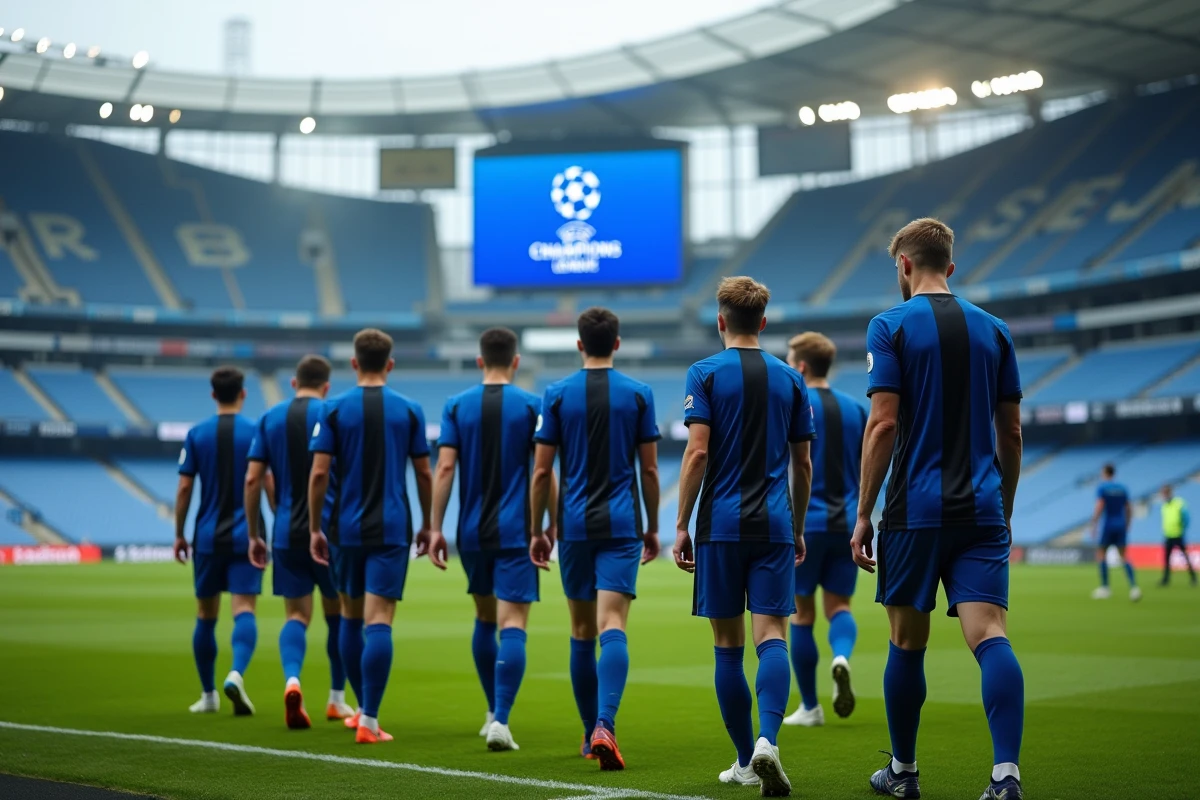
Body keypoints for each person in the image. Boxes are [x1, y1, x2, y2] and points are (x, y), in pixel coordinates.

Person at [851, 218, 1026, 800]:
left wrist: (862, 515)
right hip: (981, 509)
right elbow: (1013, 434)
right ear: (949, 266)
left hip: (913, 511)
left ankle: (903, 773)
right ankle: (1005, 778)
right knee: (990, 636)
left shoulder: (889, 326)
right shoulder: (996, 331)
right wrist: (1002, 509)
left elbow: (882, 424)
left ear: (904, 264)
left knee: (907, 642)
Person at [674, 277, 814, 797]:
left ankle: (742, 761)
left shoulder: (705, 373)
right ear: (763, 321)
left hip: (721, 526)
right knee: (774, 634)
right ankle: (767, 740)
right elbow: (803, 462)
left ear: (720, 321)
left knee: (728, 648)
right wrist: (797, 526)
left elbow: (697, 453)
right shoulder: (790, 379)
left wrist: (682, 523)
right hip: (775, 524)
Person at [529, 307, 661, 771]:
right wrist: (650, 526)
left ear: (580, 345)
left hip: (575, 528)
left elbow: (543, 470)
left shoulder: (557, 394)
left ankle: (590, 734)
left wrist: (538, 530)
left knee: (582, 631)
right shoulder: (639, 394)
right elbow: (648, 468)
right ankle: (607, 722)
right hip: (621, 524)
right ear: (617, 344)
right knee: (613, 626)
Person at [308, 328, 445, 744]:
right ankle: (369, 719)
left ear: (354, 363)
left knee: (349, 616)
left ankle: (360, 711)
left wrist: (315, 527)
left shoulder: (331, 410)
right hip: (391, 527)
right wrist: (428, 523)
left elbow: (318, 473)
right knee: (380, 618)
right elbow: (424, 471)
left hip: (345, 528)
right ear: (389, 364)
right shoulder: (409, 409)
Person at [431, 327, 554, 751]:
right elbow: (543, 472)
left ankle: (489, 712)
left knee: (484, 618)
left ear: (480, 361)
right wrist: (550, 525)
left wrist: (433, 527)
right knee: (513, 622)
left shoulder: (456, 406)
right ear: (515, 361)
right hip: (518, 531)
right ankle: (502, 718)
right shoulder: (532, 405)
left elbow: (444, 470)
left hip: (472, 531)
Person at [244, 355, 355, 730]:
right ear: (326, 385)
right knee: (338, 615)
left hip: (286, 531)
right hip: (330, 533)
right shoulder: (334, 412)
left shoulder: (269, 418)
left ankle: (293, 680)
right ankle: (337, 700)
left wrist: (256, 534)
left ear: (294, 383)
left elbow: (252, 480)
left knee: (296, 616)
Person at [782, 332, 865, 728]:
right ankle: (841, 657)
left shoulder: (794, 404)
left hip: (805, 524)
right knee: (840, 608)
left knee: (801, 616)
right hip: (848, 522)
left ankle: (811, 707)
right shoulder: (855, 409)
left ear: (800, 367)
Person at [174, 366, 263, 717]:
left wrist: (179, 533)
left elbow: (184, 488)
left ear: (213, 395)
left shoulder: (197, 434)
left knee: (205, 615)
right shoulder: (256, 432)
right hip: (248, 537)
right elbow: (265, 483)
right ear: (243, 393)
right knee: (244, 610)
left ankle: (209, 694)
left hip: (208, 537)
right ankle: (236, 673)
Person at [1090, 464, 1141, 601]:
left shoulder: (1103, 488)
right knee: (1124, 556)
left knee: (1101, 554)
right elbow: (1129, 508)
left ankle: (1105, 588)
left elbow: (1100, 506)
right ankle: (1134, 587)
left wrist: (1094, 523)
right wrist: (1128, 523)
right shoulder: (1123, 488)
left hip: (1108, 525)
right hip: (1121, 524)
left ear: (1105, 473)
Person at [1158, 484, 1195, 587]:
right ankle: (1166, 579)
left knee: (1185, 557)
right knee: (1167, 558)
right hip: (1168, 535)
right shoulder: (1164, 505)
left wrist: (1183, 529)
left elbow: (1186, 518)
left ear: (1170, 493)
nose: (1164, 495)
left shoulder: (1179, 503)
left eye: (1165, 493)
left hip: (1178, 534)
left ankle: (1193, 577)